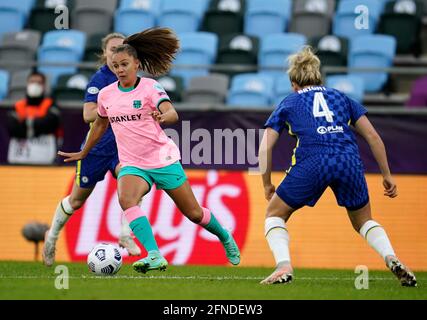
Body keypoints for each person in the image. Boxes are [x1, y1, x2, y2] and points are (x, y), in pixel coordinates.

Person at [58, 27, 240, 273]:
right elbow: (99, 124)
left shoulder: (150, 88)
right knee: (126, 200)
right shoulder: (106, 95)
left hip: (162, 159)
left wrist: (163, 116)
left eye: (124, 64)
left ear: (136, 64)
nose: (119, 70)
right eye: (115, 65)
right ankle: (154, 255)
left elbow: (171, 112)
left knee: (194, 213)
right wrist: (84, 152)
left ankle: (225, 236)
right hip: (133, 163)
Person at [258, 46, 417, 287]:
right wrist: (387, 175)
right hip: (348, 160)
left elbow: (265, 147)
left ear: (293, 83)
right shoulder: (342, 97)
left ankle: (284, 266)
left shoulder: (290, 102)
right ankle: (391, 256)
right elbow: (373, 137)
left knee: (274, 214)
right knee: (364, 221)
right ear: (319, 77)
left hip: (314, 161)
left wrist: (267, 184)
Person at [42, 33, 141, 267]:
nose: (117, 53)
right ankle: (51, 237)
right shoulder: (100, 79)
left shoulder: (132, 79)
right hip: (96, 148)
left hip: (122, 148)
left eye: (121, 49)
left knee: (136, 183)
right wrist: (117, 108)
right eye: (112, 49)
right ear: (104, 53)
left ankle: (126, 234)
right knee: (76, 201)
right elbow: (88, 114)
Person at [6, 70, 61, 142]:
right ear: (27, 84)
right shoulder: (18, 105)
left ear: (44, 86)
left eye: (39, 83)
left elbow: (51, 124)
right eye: (32, 82)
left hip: (44, 148)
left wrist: (26, 122)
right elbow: (12, 128)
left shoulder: (50, 104)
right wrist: (35, 127)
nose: (35, 85)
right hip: (20, 149)